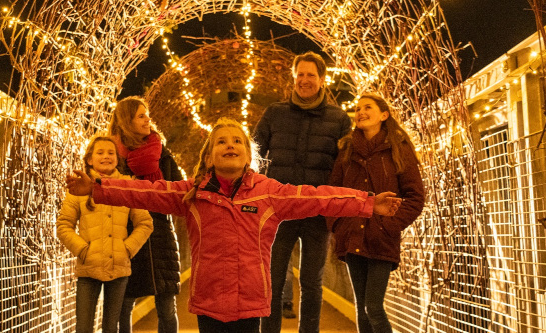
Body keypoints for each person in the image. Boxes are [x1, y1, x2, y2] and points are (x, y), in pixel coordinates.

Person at [66, 117, 403, 333]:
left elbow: (319, 197)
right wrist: (96, 188)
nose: (230, 145)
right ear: (210, 156)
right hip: (208, 301)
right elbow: (146, 191)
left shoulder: (268, 194)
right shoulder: (192, 194)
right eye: (222, 141)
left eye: (237, 141)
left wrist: (369, 203)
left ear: (247, 155)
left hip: (251, 302)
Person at [253, 51, 352, 333]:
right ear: (293, 78)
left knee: (311, 280)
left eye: (311, 75)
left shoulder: (340, 119)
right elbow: (254, 155)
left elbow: (346, 167)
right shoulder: (275, 113)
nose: (304, 80)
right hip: (279, 211)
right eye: (300, 75)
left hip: (317, 214)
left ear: (322, 80)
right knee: (271, 277)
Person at [327, 94, 425, 333]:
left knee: (373, 307)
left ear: (384, 115)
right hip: (351, 236)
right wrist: (338, 225)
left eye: (367, 107)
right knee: (362, 309)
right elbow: (334, 193)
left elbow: (415, 197)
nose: (360, 112)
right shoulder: (347, 150)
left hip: (382, 238)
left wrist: (389, 226)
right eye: (358, 108)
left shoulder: (398, 149)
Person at [56, 135, 154, 333]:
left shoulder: (127, 186)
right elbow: (64, 225)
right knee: (83, 328)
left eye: (111, 153)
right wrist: (83, 250)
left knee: (111, 328)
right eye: (100, 152)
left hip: (118, 267)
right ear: (90, 159)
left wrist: (126, 249)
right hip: (88, 268)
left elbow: (145, 223)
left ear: (118, 159)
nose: (106, 156)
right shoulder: (79, 187)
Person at [108, 96, 182, 333]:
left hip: (160, 235)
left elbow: (178, 187)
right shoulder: (112, 153)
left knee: (167, 307)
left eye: (147, 115)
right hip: (125, 234)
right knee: (123, 304)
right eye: (140, 115)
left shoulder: (160, 150)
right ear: (126, 120)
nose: (147, 119)